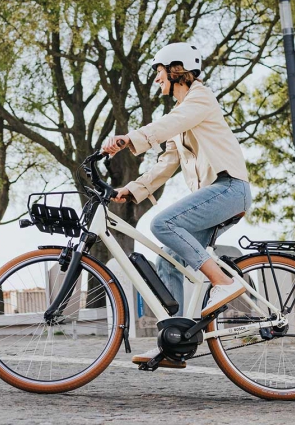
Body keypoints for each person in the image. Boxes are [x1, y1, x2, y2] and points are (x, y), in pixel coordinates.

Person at [101, 42, 252, 369]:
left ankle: (224, 283)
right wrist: (131, 190)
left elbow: (168, 125)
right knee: (169, 262)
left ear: (176, 69)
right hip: (217, 194)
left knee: (162, 224)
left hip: (229, 188)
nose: (157, 80)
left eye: (159, 72)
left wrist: (128, 139)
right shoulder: (181, 117)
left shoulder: (200, 97)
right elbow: (166, 163)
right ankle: (177, 344)